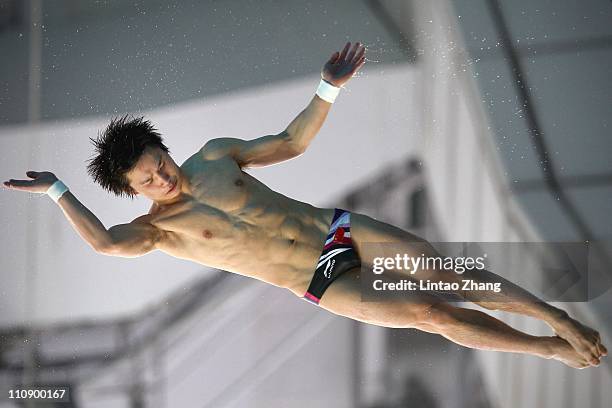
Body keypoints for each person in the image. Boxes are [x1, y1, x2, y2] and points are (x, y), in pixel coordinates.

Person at [3, 42, 606, 369]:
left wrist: (327, 89)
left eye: (157, 161)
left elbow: (289, 143)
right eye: (147, 179)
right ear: (133, 191)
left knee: (450, 274)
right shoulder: (157, 233)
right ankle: (550, 348)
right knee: (433, 316)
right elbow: (105, 244)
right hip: (315, 278)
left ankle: (559, 317)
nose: (161, 177)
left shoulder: (213, 158)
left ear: (164, 147)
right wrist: (59, 191)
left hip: (337, 232)